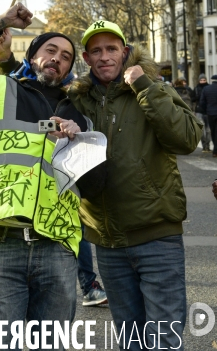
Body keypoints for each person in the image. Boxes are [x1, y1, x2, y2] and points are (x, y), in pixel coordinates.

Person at [0, 3, 105, 351]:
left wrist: (82, 140)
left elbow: (95, 187)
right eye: (50, 50)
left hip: (57, 249)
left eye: (66, 56)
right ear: (30, 55)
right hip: (2, 245)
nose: (57, 59)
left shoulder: (79, 112)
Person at [67, 20, 202, 350]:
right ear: (86, 58)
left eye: (112, 48)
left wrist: (144, 86)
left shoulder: (153, 87)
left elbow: (187, 139)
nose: (104, 57)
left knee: (163, 342)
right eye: (96, 51)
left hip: (157, 236)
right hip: (107, 241)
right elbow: (35, 89)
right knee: (131, 341)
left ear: (125, 52)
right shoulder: (77, 100)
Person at [191, 73, 211, 152]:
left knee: (208, 130)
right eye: (201, 80)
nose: (202, 81)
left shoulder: (209, 88)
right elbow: (192, 98)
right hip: (199, 110)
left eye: (204, 80)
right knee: (202, 129)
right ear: (199, 80)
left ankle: (208, 145)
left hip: (207, 111)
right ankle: (204, 145)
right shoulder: (196, 89)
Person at [199, 74, 217, 157]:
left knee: (213, 131)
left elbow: (202, 102)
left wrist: (206, 110)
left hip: (210, 113)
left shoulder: (206, 89)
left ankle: (215, 150)